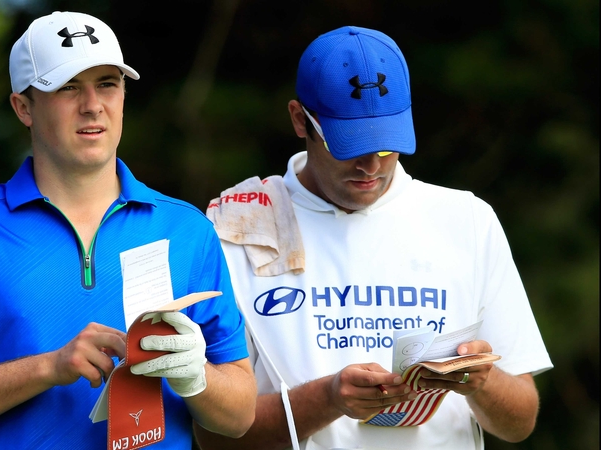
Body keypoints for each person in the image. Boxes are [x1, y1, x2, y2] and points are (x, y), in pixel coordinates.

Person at [0, 11, 256, 449]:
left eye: (107, 83)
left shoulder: (187, 230)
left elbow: (240, 416)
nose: (92, 105)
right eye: (67, 87)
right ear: (23, 107)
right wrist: (49, 367)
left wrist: (198, 378)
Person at [196, 26, 552, 450]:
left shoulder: (468, 220)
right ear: (299, 120)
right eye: (348, 147)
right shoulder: (237, 226)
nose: (371, 166)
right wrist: (328, 399)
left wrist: (482, 381)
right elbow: (214, 435)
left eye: (386, 146)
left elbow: (521, 422)